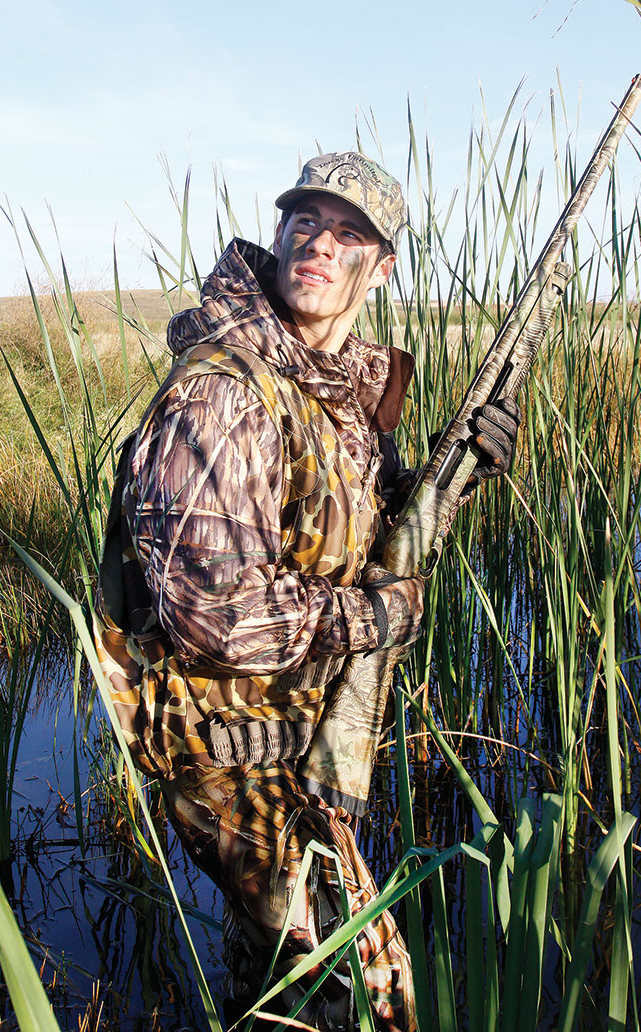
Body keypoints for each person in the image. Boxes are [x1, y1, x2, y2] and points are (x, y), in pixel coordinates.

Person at [94, 151, 520, 1031]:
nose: (320, 245)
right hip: (224, 754)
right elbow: (218, 615)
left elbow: (370, 529)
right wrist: (377, 617)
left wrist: (460, 471)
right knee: (368, 990)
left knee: (285, 989)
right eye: (305, 224)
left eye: (348, 234)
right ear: (280, 233)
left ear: (382, 267)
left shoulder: (336, 396)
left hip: (295, 736)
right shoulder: (225, 391)